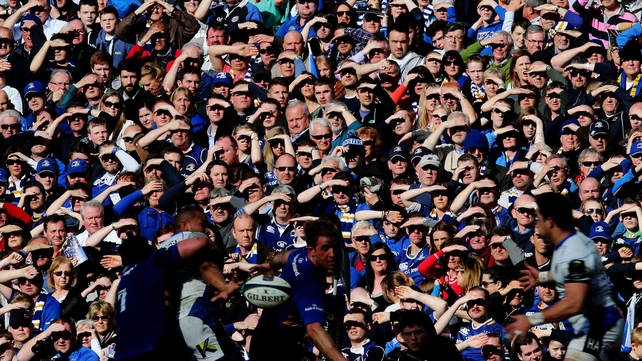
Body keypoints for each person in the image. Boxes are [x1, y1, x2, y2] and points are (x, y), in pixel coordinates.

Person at [507, 192, 623, 361]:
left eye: (539, 218)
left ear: (550, 221)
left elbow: (575, 302)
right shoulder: (569, 243)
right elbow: (573, 272)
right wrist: (543, 277)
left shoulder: (573, 249)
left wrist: (531, 320)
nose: (536, 223)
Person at [250, 220, 347, 361]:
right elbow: (314, 330)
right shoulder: (308, 282)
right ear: (312, 250)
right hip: (273, 349)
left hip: (267, 339)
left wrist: (271, 266)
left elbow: (282, 257)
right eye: (325, 248)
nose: (332, 254)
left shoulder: (298, 255)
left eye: (335, 247)